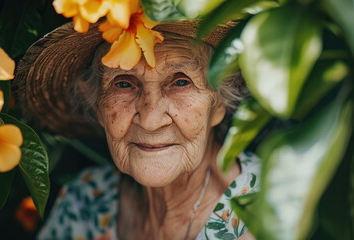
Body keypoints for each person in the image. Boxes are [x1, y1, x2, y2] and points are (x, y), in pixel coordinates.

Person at [14, 16, 260, 240]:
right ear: (98, 106)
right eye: (123, 83)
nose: (151, 120)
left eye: (181, 81)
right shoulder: (85, 201)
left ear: (219, 104)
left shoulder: (272, 209)